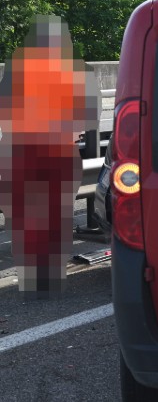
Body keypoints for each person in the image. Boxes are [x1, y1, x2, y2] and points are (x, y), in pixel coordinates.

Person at [0, 16, 99, 299]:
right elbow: (90, 117)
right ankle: (49, 276)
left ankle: (32, 277)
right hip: (58, 154)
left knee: (27, 217)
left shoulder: (16, 69)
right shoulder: (77, 72)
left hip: (21, 155)